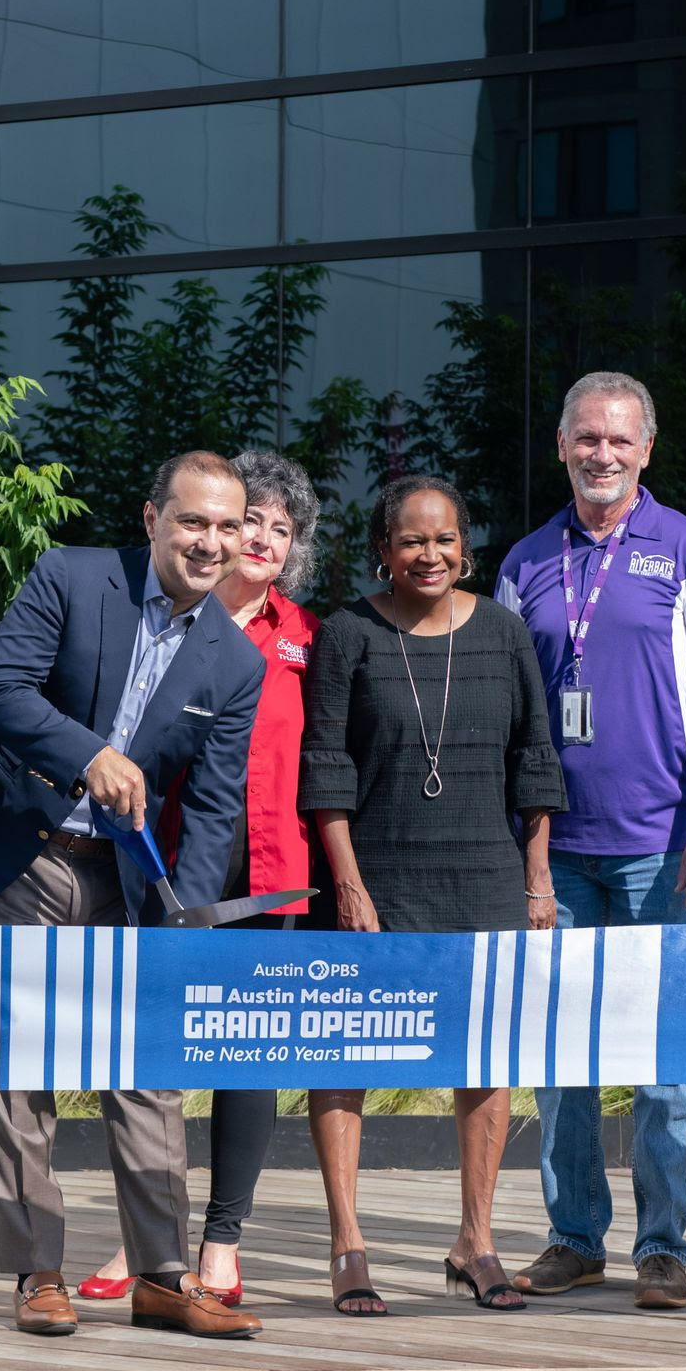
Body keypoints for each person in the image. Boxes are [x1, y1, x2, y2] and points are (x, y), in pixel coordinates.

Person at [0, 450, 267, 1340]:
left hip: (127, 879)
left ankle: (163, 1275)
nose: (210, 542)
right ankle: (36, 1271)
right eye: (193, 521)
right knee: (15, 1069)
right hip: (21, 851)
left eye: (228, 526)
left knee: (148, 1071)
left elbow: (212, 803)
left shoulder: (236, 663)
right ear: (152, 518)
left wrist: (185, 923)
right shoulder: (72, 577)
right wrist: (87, 754)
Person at [493, 371, 686, 1313]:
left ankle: (663, 1247)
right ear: (561, 446)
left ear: (647, 450)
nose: (602, 453)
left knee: (661, 1056)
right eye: (586, 438)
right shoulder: (525, 562)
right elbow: (508, 713)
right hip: (555, 849)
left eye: (619, 440)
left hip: (658, 844)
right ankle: (573, 1238)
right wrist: (518, 844)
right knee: (560, 1059)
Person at [299, 474, 564, 1315]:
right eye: (411, 540)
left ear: (465, 546)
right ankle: (348, 1242)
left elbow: (536, 763)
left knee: (482, 1057)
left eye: (444, 538)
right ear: (383, 549)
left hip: (486, 871)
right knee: (346, 1055)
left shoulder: (505, 632)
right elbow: (326, 768)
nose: (429, 553)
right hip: (375, 875)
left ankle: (475, 1240)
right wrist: (347, 881)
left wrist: (537, 876)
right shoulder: (349, 633)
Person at [75, 449, 322, 1310]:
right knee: (160, 1053)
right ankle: (149, 1235)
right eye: (247, 518)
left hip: (272, 878)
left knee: (249, 1053)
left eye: (279, 528)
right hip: (169, 874)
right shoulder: (169, 616)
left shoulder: (307, 637)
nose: (258, 536)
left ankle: (222, 1241)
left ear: (293, 549)